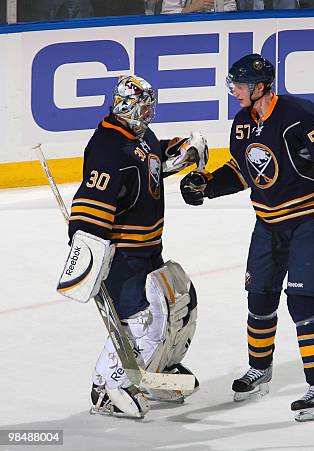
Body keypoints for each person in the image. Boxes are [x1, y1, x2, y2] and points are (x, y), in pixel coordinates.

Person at [180, 54, 314, 421]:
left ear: (260, 87)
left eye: (240, 85)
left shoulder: (299, 115)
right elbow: (244, 170)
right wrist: (208, 184)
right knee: (259, 297)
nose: (234, 91)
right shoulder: (243, 122)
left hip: (309, 222)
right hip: (267, 224)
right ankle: (260, 370)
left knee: (303, 306)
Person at [57, 75, 208, 418]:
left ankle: (155, 371)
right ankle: (107, 387)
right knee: (142, 320)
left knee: (175, 310)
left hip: (148, 248)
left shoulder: (138, 134)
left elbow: (151, 160)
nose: (150, 111)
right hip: (123, 253)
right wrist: (87, 253)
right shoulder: (108, 147)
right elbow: (91, 202)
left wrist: (181, 150)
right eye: (144, 105)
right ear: (126, 105)